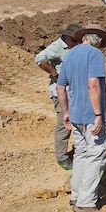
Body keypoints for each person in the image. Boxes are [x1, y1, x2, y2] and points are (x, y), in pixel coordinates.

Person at [56, 23, 106, 212]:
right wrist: (98, 115)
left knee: (81, 154)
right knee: (96, 155)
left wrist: (66, 112)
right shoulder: (95, 55)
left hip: (76, 114)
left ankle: (76, 195)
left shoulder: (70, 54)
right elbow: (93, 84)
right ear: (97, 40)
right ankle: (86, 202)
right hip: (90, 116)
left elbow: (60, 87)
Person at [35, 22, 81, 170]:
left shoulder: (75, 47)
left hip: (73, 91)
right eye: (74, 40)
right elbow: (39, 59)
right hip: (60, 91)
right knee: (64, 124)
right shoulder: (57, 47)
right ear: (66, 37)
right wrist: (54, 74)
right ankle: (61, 158)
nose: (76, 43)